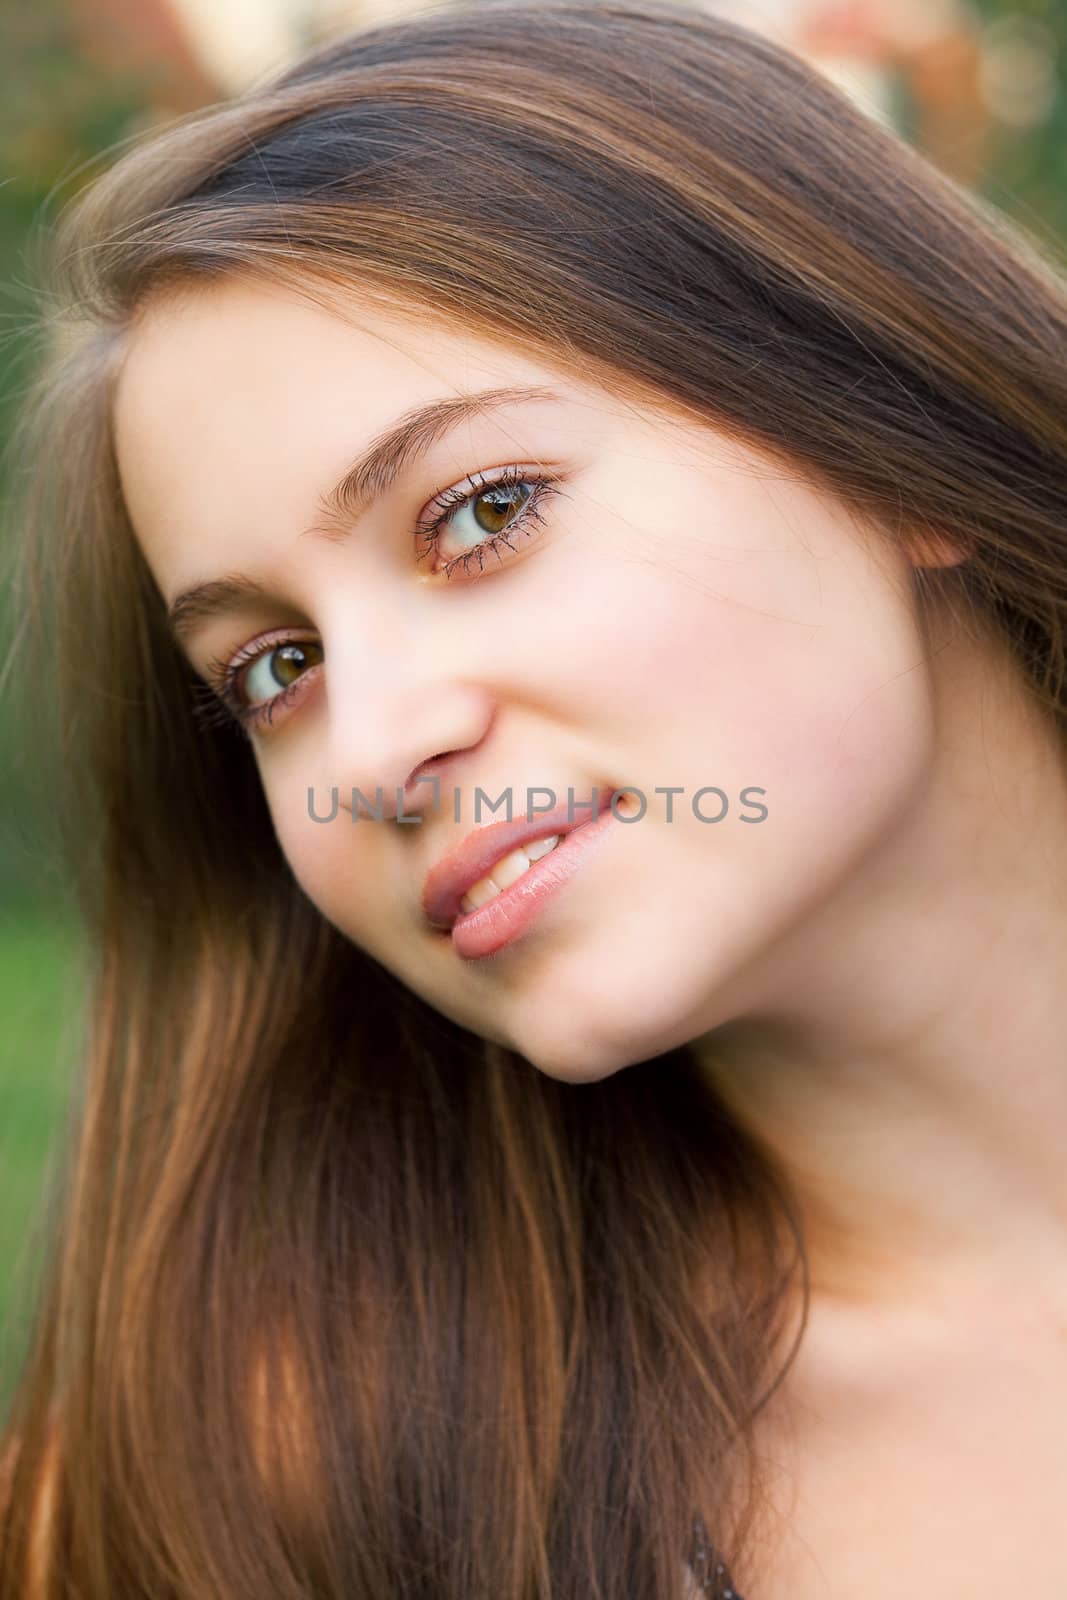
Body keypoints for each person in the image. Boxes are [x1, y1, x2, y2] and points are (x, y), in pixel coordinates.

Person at [1, 0, 1065, 1592]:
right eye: (275, 671)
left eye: (483, 512)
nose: (367, 756)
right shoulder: (239, 1500)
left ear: (880, 428)